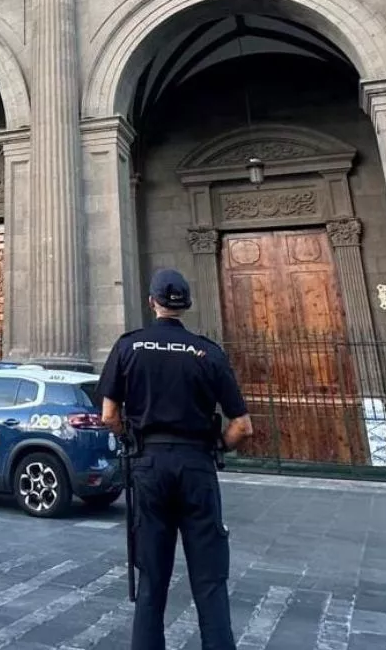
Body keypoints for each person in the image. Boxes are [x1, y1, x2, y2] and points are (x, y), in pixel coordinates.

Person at [96, 268, 254, 650]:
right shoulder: (208, 352)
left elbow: (108, 416)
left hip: (149, 466)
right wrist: (217, 446)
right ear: (186, 305)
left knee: (152, 579)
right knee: (211, 582)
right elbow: (243, 427)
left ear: (152, 302)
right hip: (197, 466)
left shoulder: (128, 347)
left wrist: (131, 441)